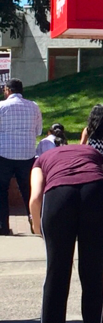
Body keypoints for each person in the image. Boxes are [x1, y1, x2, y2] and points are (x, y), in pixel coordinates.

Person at [29, 145, 103, 323]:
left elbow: (35, 198)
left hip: (58, 196)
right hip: (95, 194)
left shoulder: (41, 160)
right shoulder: (94, 154)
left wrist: (37, 226)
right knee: (93, 274)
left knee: (56, 272)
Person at [0, 78, 42, 235]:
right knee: (29, 190)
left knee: (1, 190)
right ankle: (35, 224)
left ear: (8, 90)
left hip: (3, 154)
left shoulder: (1, 107)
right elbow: (38, 131)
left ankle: (2, 226)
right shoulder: (34, 107)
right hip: (27, 154)